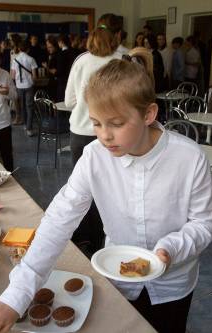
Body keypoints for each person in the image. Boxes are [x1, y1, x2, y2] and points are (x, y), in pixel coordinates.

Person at [0, 58, 212, 333]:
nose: (104, 136)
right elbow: (58, 220)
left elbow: (205, 223)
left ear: (148, 114)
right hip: (118, 280)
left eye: (116, 123)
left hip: (172, 285)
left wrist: (172, 247)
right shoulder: (94, 156)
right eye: (96, 123)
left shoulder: (189, 158)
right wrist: (15, 295)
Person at [65, 13, 123, 254]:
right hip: (115, 134)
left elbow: (69, 100)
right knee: (113, 188)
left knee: (82, 188)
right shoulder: (124, 58)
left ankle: (86, 238)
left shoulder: (81, 61)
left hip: (81, 131)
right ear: (117, 35)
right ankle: (107, 239)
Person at [11, 39, 38, 137]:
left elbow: (13, 76)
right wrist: (33, 81)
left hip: (19, 86)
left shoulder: (15, 60)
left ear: (19, 48)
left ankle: (25, 125)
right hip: (29, 85)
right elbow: (35, 76)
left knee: (22, 106)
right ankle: (29, 129)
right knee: (29, 107)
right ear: (28, 49)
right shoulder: (31, 59)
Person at [56, 34, 78, 101]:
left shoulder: (61, 54)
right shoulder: (74, 51)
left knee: (62, 99)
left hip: (63, 80)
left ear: (61, 42)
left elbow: (60, 69)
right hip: (73, 78)